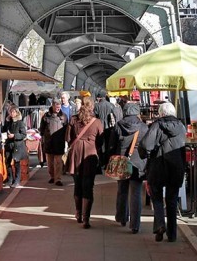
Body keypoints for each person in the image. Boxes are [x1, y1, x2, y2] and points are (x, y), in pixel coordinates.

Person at [139, 102, 186, 243]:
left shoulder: (157, 125)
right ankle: (172, 235)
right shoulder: (181, 127)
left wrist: (146, 154)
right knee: (172, 200)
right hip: (176, 166)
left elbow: (146, 145)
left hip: (158, 166)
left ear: (161, 114)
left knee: (156, 196)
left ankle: (160, 224)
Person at [108, 101, 148, 234]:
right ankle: (135, 224)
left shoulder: (119, 125)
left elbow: (112, 144)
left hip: (121, 161)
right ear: (137, 112)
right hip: (138, 163)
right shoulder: (143, 127)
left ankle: (122, 217)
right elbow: (147, 146)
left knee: (122, 190)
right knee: (136, 193)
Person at [65, 96, 104, 229]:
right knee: (88, 186)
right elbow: (101, 141)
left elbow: (68, 138)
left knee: (77, 184)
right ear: (92, 107)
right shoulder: (97, 122)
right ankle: (86, 219)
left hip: (75, 154)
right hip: (90, 155)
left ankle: (78, 214)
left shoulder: (73, 119)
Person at [40, 98, 68, 186]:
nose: (58, 107)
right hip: (49, 143)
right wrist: (43, 138)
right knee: (50, 163)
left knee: (58, 162)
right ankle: (52, 176)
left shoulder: (64, 116)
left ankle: (58, 179)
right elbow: (41, 129)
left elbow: (67, 129)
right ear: (52, 105)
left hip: (59, 143)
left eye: (59, 105)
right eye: (56, 105)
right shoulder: (46, 116)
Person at [1, 105, 28, 187]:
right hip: (9, 144)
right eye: (11, 112)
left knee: (16, 163)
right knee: (7, 162)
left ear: (17, 113)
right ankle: (10, 180)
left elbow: (23, 135)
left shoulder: (20, 123)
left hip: (17, 145)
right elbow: (3, 129)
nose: (12, 113)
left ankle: (17, 180)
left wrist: (14, 135)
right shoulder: (8, 122)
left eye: (13, 112)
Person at [94, 93, 116, 166]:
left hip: (99, 128)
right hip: (109, 128)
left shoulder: (97, 106)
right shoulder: (111, 105)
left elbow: (95, 117)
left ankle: (100, 161)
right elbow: (115, 117)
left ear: (99, 98)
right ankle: (107, 162)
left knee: (99, 145)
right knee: (108, 145)